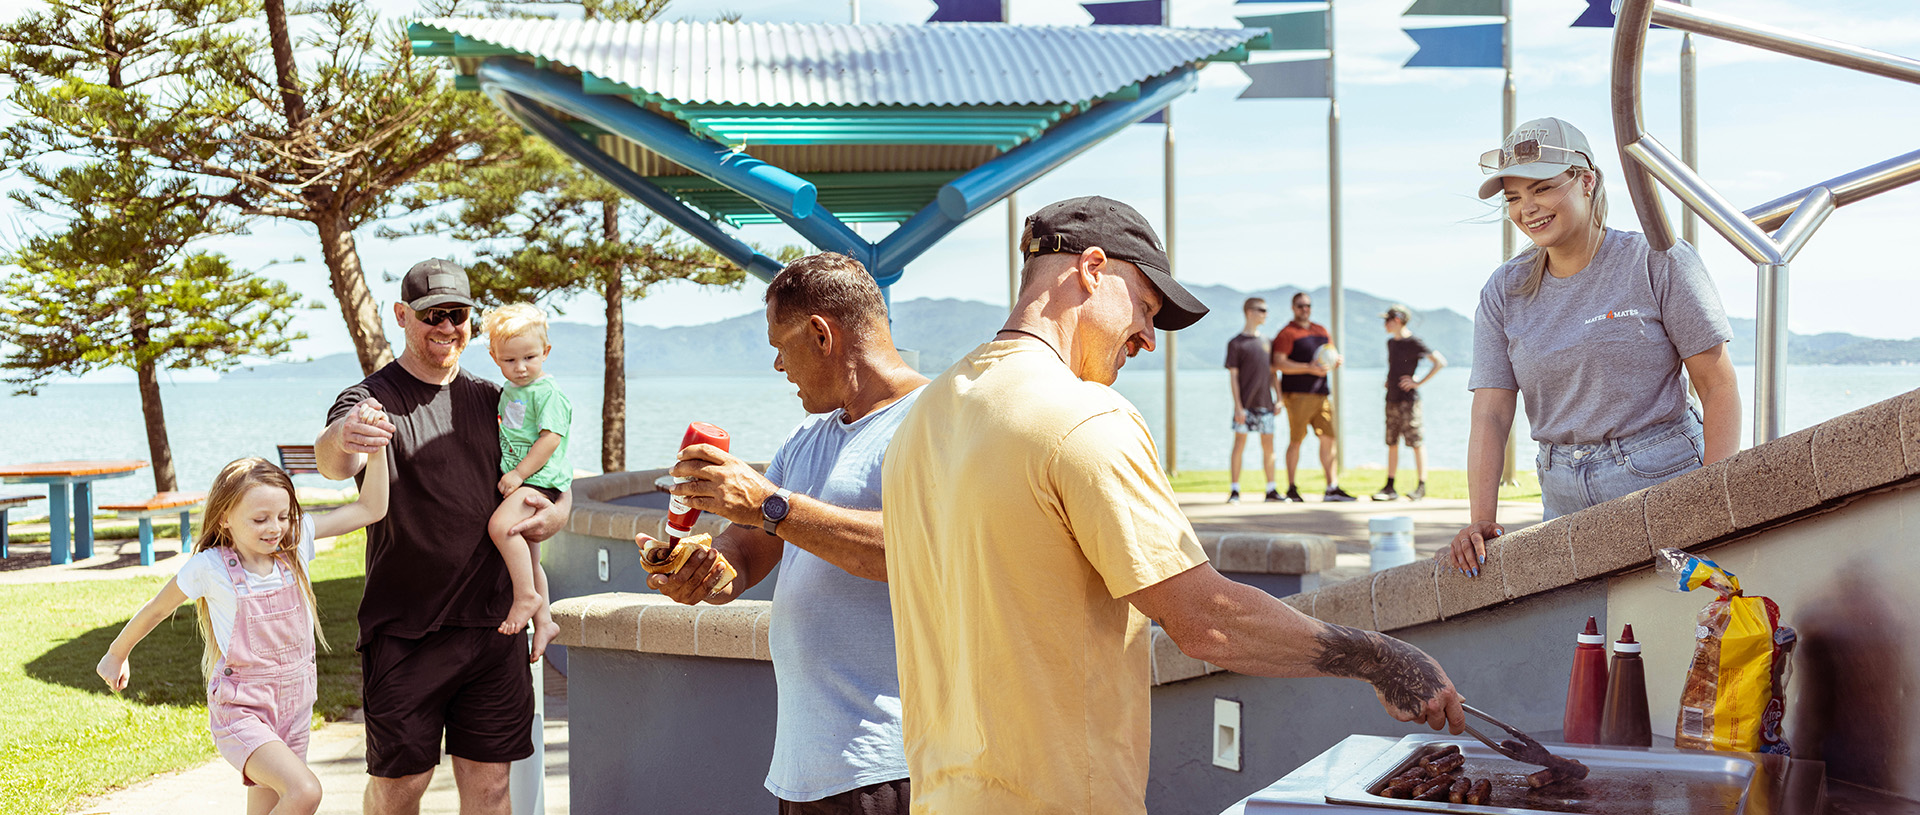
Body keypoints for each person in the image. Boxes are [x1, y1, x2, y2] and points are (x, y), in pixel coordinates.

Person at [882, 195, 1467, 814]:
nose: (1148, 339)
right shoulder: (1083, 417)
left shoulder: (923, 420)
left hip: (941, 796)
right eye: (1146, 307)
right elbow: (1206, 620)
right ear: (1091, 269)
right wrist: (1379, 656)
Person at [643, 252, 926, 814]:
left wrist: (770, 503)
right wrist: (697, 568)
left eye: (780, 347)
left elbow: (918, 549)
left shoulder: (932, 420)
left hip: (893, 765)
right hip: (806, 770)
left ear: (821, 335)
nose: (778, 367)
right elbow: (745, 551)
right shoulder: (807, 437)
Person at [314, 259, 572, 815]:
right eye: (433, 315)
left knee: (491, 790)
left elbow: (550, 476)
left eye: (457, 314)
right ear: (403, 316)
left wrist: (559, 514)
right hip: (405, 632)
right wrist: (345, 435)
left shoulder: (497, 400)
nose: (447, 327)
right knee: (400, 788)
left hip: (493, 627)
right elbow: (333, 458)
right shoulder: (372, 399)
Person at [1445, 118, 1739, 577]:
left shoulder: (1657, 260)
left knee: (1682, 630)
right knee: (1588, 640)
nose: (1528, 209)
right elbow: (1491, 411)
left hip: (1663, 475)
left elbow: (1717, 384)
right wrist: (1480, 520)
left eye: (1542, 188)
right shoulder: (1504, 290)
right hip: (1560, 490)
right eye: (1514, 197)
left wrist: (1712, 497)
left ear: (1586, 180)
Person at [97, 443, 390, 815]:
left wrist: (377, 447)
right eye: (260, 519)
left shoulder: (295, 545)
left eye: (283, 516)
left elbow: (371, 507)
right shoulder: (210, 567)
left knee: (268, 806)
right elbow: (156, 609)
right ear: (225, 518)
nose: (276, 528)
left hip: (295, 707)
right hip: (242, 709)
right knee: (304, 791)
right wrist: (116, 654)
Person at [481, 303, 571, 648]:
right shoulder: (511, 391)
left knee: (501, 528)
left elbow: (550, 438)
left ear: (545, 352)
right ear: (494, 357)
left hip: (538, 479)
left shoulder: (547, 392)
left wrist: (518, 473)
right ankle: (545, 621)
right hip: (527, 478)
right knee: (531, 555)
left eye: (529, 358)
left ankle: (525, 597)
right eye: (510, 360)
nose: (520, 368)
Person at [1272, 291, 1355, 502]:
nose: (1304, 309)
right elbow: (1278, 363)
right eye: (1300, 305)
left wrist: (1336, 360)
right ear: (1293, 308)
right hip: (1297, 395)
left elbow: (1329, 354)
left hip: (1322, 394)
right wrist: (1308, 368)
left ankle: (1331, 488)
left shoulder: (1321, 330)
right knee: (1296, 441)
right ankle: (1291, 488)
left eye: (1308, 305)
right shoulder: (1286, 333)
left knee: (1329, 438)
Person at [1372, 304, 1446, 502]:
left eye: (1386, 320)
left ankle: (1421, 486)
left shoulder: (1414, 342)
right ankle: (1390, 486)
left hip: (1409, 401)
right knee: (1392, 441)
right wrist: (1390, 380)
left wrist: (1417, 382)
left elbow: (1439, 362)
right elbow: (1395, 366)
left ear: (1396, 320)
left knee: (1415, 441)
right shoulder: (1391, 343)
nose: (1384, 324)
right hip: (1391, 398)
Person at [1224, 297, 1280, 503]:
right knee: (1239, 445)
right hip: (1244, 407)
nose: (1266, 314)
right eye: (1262, 310)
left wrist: (1279, 399)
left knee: (1269, 447)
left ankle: (1272, 489)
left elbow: (1273, 373)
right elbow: (1233, 377)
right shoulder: (1235, 343)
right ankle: (1235, 490)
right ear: (1249, 312)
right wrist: (1238, 406)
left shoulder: (1268, 342)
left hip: (1266, 404)